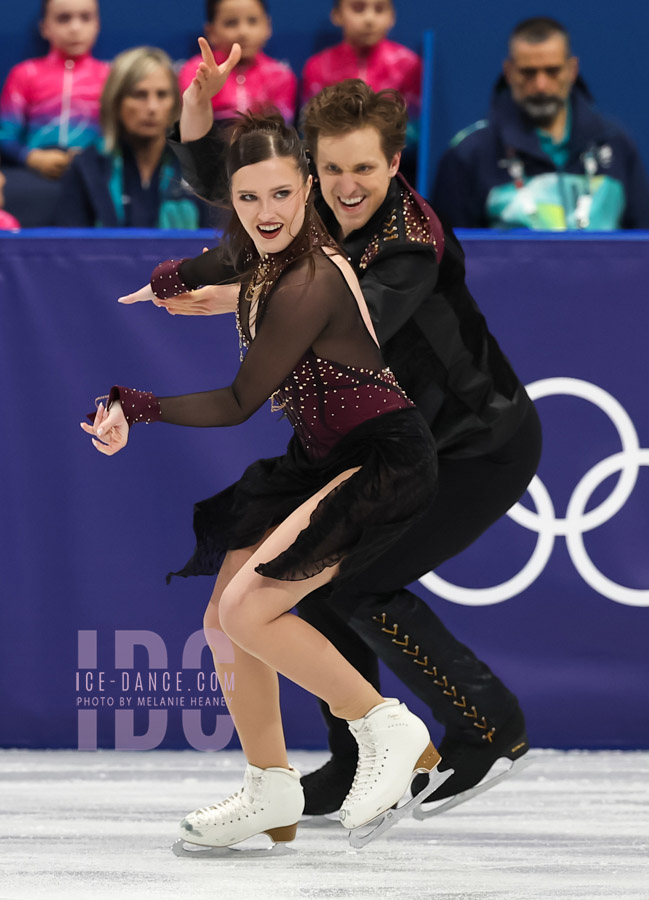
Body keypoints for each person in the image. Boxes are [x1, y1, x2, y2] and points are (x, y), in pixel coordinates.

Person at [148, 42, 543, 820]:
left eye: (362, 169)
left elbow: (347, 318)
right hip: (382, 443)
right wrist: (196, 112)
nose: (345, 186)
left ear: (395, 161)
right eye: (330, 170)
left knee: (355, 580)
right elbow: (222, 184)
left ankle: (487, 730)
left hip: (475, 445)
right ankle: (356, 755)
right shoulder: (309, 207)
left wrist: (230, 295)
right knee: (306, 583)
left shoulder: (408, 239)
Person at [80, 109, 448, 854]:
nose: (267, 213)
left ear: (308, 187)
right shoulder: (263, 251)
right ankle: (269, 789)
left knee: (250, 611)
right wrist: (169, 279)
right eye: (249, 199)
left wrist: (133, 403)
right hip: (318, 456)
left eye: (282, 194)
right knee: (222, 619)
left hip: (381, 457)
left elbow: (238, 402)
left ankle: (389, 728)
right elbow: (215, 261)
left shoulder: (308, 279)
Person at [432, 16, 649, 230]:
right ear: (508, 72)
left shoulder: (616, 143)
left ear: (572, 70)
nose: (541, 85)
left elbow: (642, 243)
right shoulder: (469, 154)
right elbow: (449, 257)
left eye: (552, 71)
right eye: (528, 73)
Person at [55, 47, 209, 228]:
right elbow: (69, 247)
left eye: (162, 95)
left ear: (175, 102)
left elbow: (218, 245)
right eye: (139, 95)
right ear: (115, 101)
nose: (152, 107)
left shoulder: (197, 166)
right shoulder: (88, 166)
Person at [0, 0, 108, 227]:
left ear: (97, 24)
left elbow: (116, 136)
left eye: (85, 17)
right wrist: (31, 157)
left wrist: (89, 156)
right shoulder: (25, 74)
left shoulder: (109, 77)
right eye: (63, 18)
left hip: (91, 177)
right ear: (45, 27)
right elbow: (5, 134)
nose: (75, 27)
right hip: (34, 177)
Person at [300, 0, 420, 176]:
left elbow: (415, 132)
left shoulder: (408, 65)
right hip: (333, 171)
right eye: (358, 8)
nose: (369, 19)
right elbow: (309, 132)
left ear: (392, 16)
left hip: (392, 172)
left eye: (379, 9)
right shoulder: (318, 67)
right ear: (337, 14)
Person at [178, 0, 297, 125]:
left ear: (267, 26)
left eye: (252, 20)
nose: (243, 32)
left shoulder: (280, 75)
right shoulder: (197, 71)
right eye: (231, 23)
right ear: (211, 32)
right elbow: (192, 127)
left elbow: (283, 132)